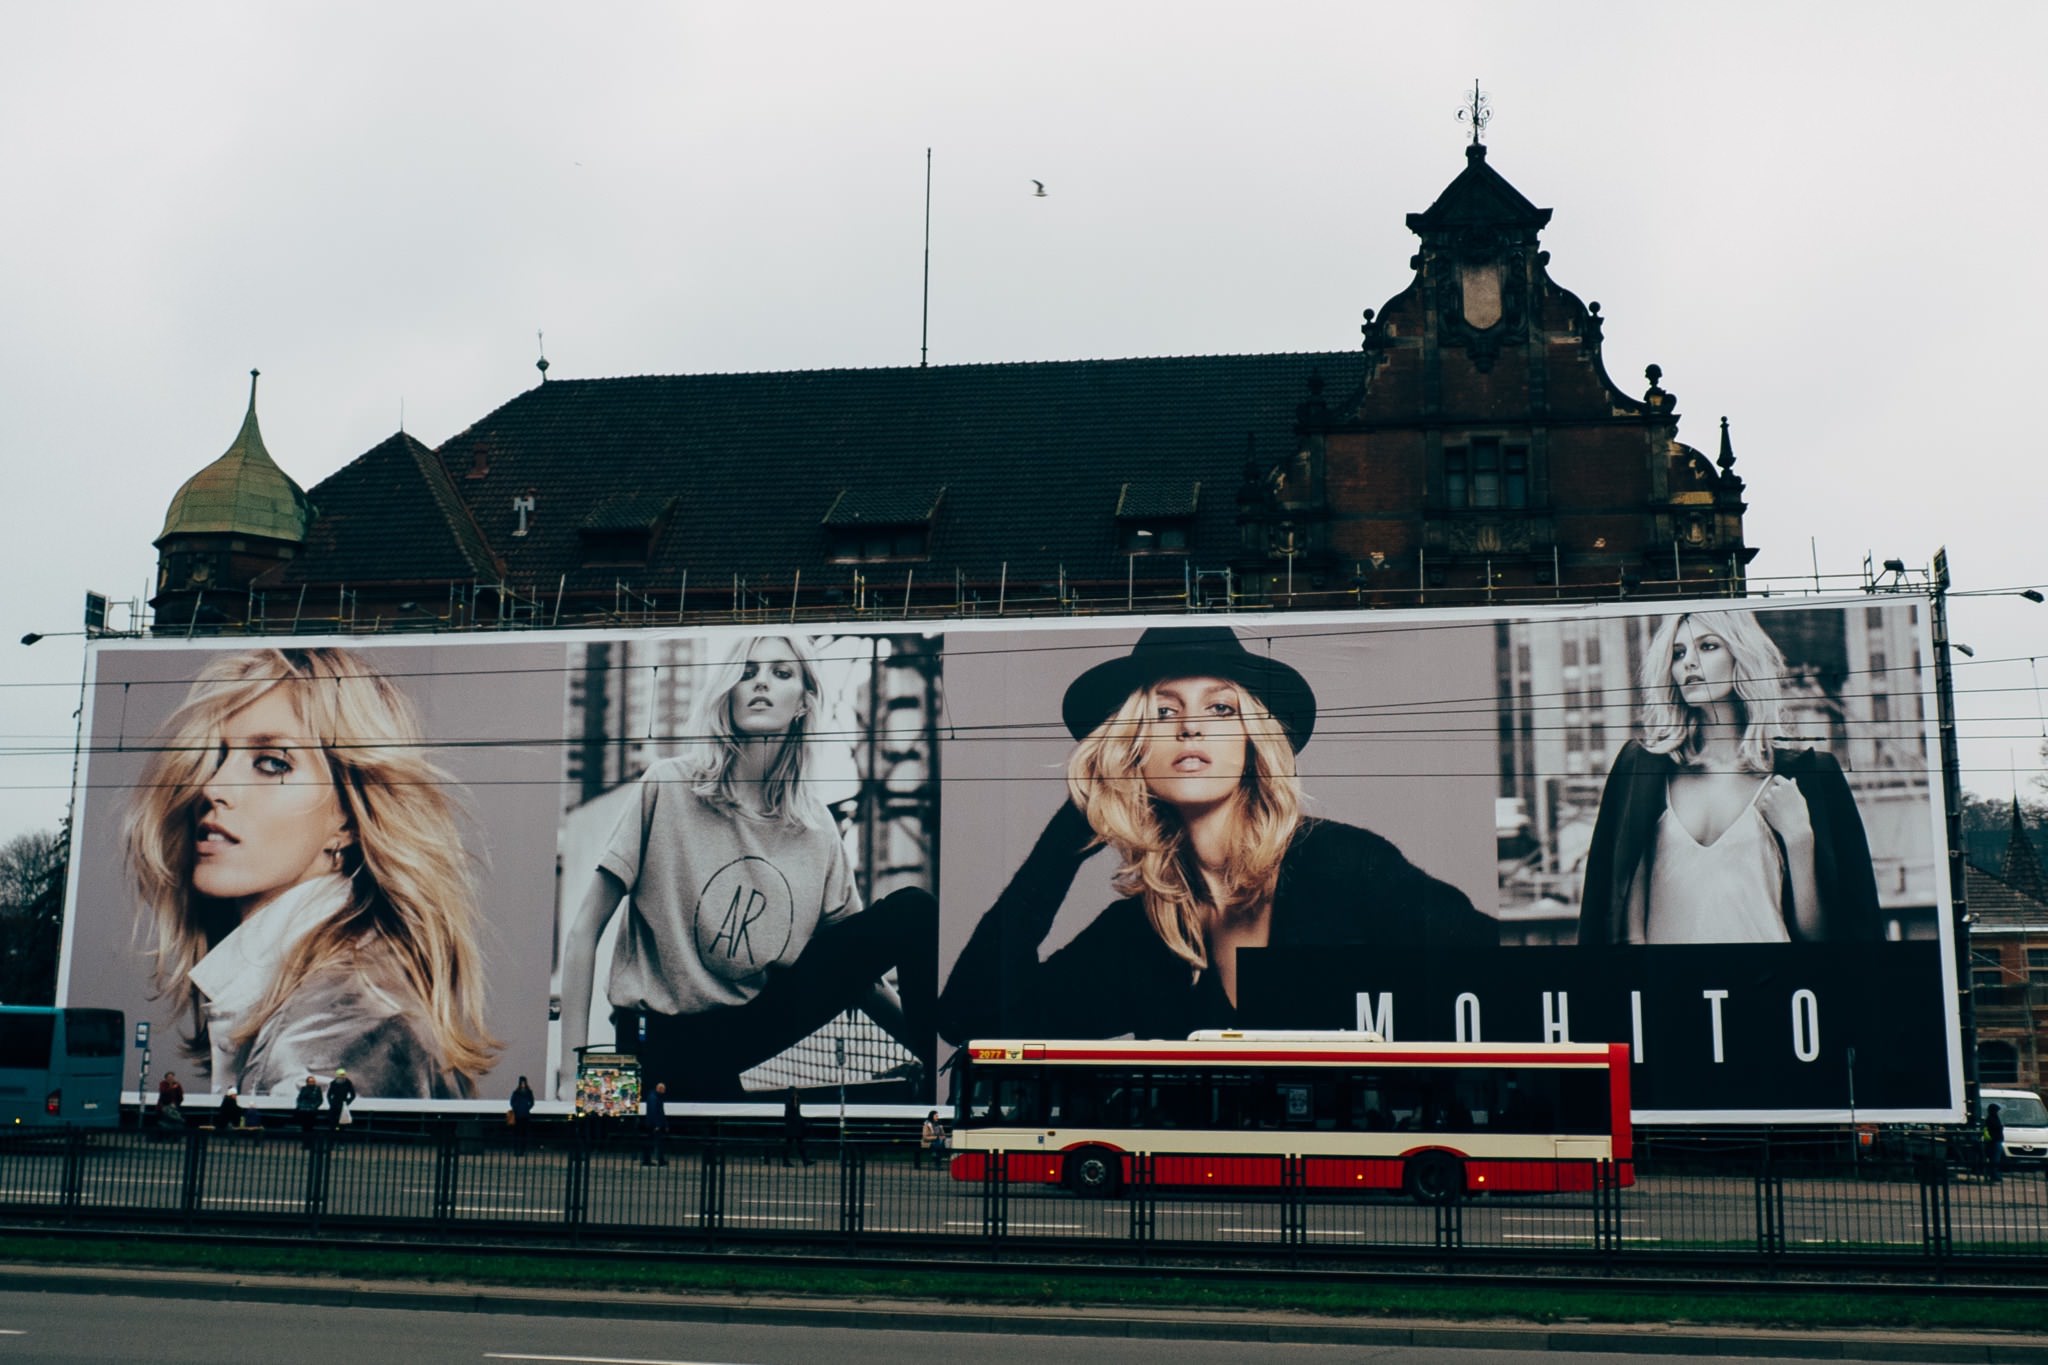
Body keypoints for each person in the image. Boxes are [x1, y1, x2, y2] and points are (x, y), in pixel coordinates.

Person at [938, 627, 1493, 1043]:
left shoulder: (1341, 862)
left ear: (1252, 741)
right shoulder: (1145, 932)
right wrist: (1066, 837)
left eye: (1221, 708)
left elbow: (1505, 987)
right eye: (1162, 712)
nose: (1190, 726)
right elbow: (969, 1019)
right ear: (1131, 748)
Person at [555, 635, 936, 1103]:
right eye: (747, 671)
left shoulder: (817, 826)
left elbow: (860, 977)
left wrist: (922, 1053)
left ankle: (938, 1092)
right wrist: (571, 1075)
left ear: (803, 702)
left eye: (780, 673)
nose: (760, 684)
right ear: (727, 692)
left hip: (756, 1032)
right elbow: (583, 932)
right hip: (658, 1041)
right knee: (616, 1160)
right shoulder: (668, 785)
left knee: (914, 911)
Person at [122, 648, 500, 1098]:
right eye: (218, 757)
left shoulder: (340, 1035)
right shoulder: (330, 996)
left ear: (347, 818)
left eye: (272, 763)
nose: (213, 787)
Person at [1578, 610, 1881, 945]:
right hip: (1671, 990)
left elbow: (1822, 937)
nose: (1688, 663)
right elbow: (1623, 926)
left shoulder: (1811, 777)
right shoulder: (1642, 771)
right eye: (1678, 654)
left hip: (1770, 990)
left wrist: (1799, 838)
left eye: (1707, 647)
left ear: (1743, 656)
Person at [639, 1081, 669, 1167]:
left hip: (653, 1124)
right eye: (664, 1089)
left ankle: (650, 1160)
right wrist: (657, 1125)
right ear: (660, 1089)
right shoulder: (654, 1098)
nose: (665, 1091)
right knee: (655, 1142)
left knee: (652, 1142)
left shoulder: (654, 1097)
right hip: (653, 1125)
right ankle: (652, 1160)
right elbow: (654, 1112)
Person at [782, 1087, 812, 1167]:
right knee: (790, 1143)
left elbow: (795, 1113)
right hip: (792, 1125)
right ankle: (786, 1161)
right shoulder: (790, 1100)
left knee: (798, 1143)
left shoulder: (796, 1100)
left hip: (795, 1125)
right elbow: (789, 1113)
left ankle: (805, 1160)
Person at [294, 1074, 323, 1149]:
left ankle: (310, 1144)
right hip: (303, 1111)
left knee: (311, 1128)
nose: (311, 1083)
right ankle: (305, 1144)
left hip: (312, 1112)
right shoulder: (303, 1089)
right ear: (307, 1082)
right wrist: (300, 1105)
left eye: (312, 1081)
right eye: (310, 1081)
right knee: (304, 1128)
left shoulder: (317, 1089)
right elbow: (299, 1098)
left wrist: (314, 1106)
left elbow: (320, 1100)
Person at [510, 1075, 536, 1153]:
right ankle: (516, 1150)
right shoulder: (516, 1092)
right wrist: (516, 1108)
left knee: (523, 1134)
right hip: (517, 1115)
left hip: (525, 1115)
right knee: (516, 1134)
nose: (523, 1084)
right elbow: (512, 1102)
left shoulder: (529, 1092)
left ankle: (522, 1150)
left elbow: (532, 1102)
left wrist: (527, 1107)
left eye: (524, 1083)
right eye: (521, 1083)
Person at [1985, 1103, 2006, 1183]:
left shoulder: (1993, 1118)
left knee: (1996, 1159)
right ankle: (1994, 1175)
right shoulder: (1992, 1119)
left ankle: (1995, 1174)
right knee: (1995, 1159)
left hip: (1996, 1141)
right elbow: (1996, 1129)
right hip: (1994, 1141)